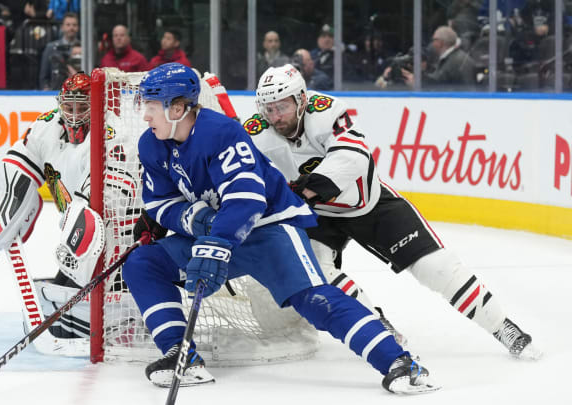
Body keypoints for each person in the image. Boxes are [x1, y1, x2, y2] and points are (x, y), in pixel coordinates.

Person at [121, 62, 439, 394]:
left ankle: (400, 362)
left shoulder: (221, 133)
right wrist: (196, 219)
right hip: (218, 232)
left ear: (177, 108)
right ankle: (180, 355)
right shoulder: (151, 144)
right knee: (144, 263)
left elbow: (247, 199)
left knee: (313, 299)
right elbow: (160, 202)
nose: (145, 116)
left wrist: (215, 241)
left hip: (269, 229)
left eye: (152, 107)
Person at [246, 64, 542, 361]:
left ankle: (503, 326)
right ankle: (377, 324)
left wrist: (304, 190)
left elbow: (354, 156)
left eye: (282, 106)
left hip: (368, 203)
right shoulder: (256, 132)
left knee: (437, 268)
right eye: (268, 108)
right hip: (317, 217)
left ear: (302, 100)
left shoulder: (327, 111)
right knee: (318, 270)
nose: (275, 117)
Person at [0, 72, 104, 340]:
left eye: (82, 107)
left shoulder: (108, 133)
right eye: (69, 106)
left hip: (107, 233)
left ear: (97, 104)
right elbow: (22, 165)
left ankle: (106, 320)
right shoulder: (47, 126)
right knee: (56, 301)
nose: (74, 114)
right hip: (74, 230)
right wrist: (5, 213)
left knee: (67, 305)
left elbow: (94, 204)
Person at [380, 26, 475, 90]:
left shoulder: (455, 61)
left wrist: (417, 82)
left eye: (433, 40)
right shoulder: (453, 57)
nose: (432, 44)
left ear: (440, 43)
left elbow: (438, 83)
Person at [39, 12, 79, 90]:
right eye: (68, 25)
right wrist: (46, 92)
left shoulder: (84, 48)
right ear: (62, 27)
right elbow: (43, 77)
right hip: (55, 93)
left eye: (74, 25)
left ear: (78, 28)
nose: (71, 28)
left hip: (80, 93)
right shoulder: (51, 48)